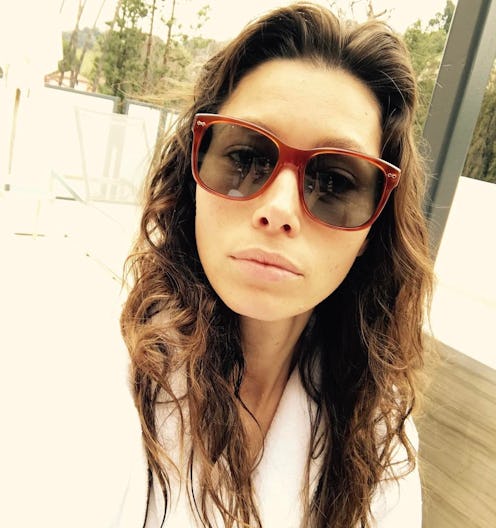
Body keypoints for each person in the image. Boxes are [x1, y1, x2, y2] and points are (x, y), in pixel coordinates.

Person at [120, 3, 433, 527]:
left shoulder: (376, 434)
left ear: (373, 229)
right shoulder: (95, 379)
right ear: (193, 175)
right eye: (246, 157)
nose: (279, 209)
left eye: (334, 181)